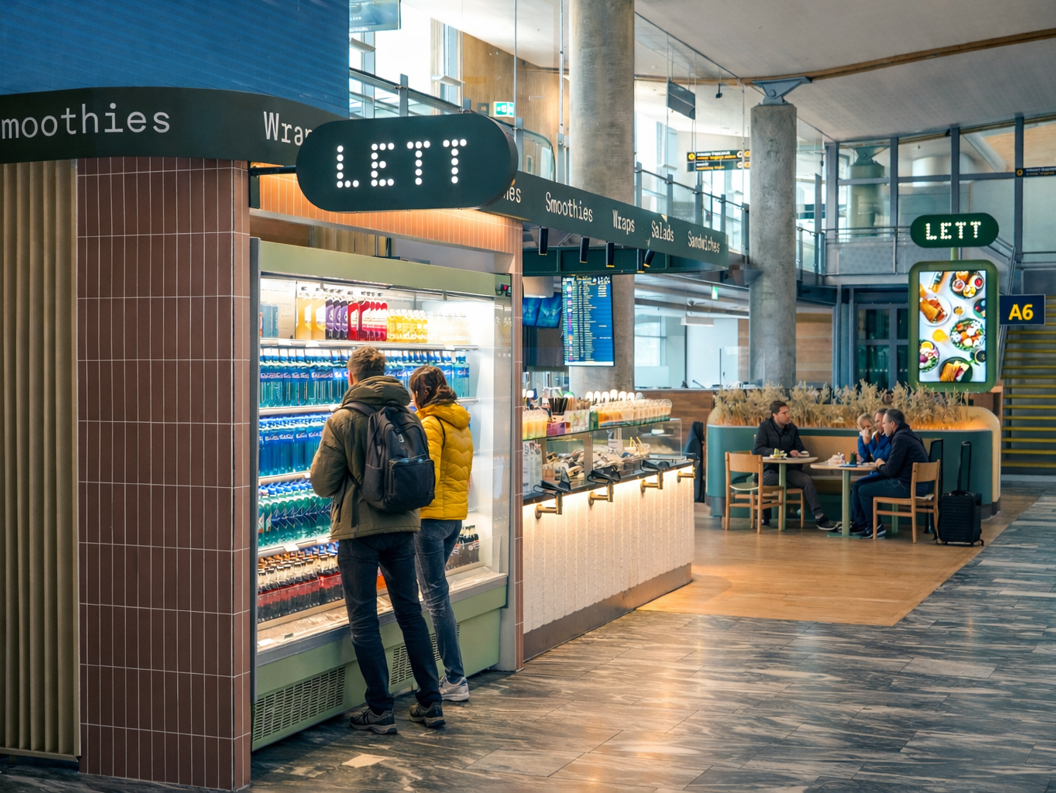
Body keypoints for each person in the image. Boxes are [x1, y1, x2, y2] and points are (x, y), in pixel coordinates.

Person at [310, 346, 444, 733]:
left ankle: (380, 709)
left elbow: (321, 483)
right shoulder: (407, 412)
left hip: (359, 530)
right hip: (404, 525)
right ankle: (431, 703)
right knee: (410, 612)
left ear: (351, 377)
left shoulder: (342, 419)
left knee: (364, 619)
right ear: (384, 372)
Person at [408, 365, 474, 703]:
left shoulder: (431, 424)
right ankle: (450, 675)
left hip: (430, 519)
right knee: (436, 594)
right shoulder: (460, 421)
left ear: (420, 393)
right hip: (454, 518)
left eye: (413, 394)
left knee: (435, 598)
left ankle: (455, 678)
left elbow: (424, 474)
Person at [752, 401, 839, 530]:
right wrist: (783, 453)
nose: (788, 415)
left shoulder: (792, 428)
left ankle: (819, 517)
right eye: (784, 413)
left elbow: (800, 448)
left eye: (788, 412)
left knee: (806, 480)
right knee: (779, 480)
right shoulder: (764, 427)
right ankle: (766, 514)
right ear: (774, 415)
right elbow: (757, 450)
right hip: (768, 471)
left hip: (789, 470)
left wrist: (801, 453)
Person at [849, 408, 930, 539]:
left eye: (884, 423)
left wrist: (880, 463)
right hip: (917, 485)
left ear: (892, 424)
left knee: (863, 490)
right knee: (858, 485)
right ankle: (866, 525)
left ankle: (875, 527)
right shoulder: (909, 435)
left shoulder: (900, 438)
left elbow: (889, 471)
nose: (881, 426)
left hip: (905, 486)